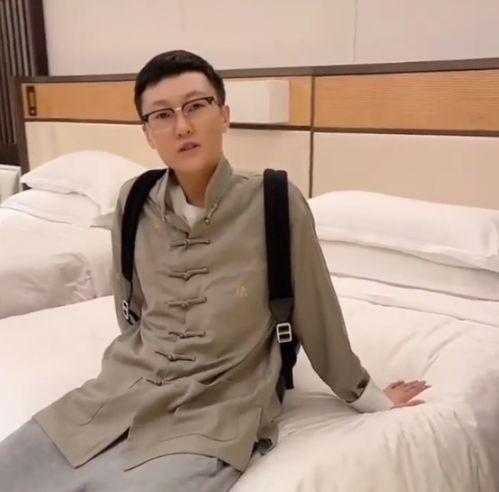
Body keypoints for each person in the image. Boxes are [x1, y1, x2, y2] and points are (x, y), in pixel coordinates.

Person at [0, 50, 429, 492]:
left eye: (195, 106)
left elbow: (317, 316)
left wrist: (368, 395)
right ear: (148, 134)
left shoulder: (275, 201)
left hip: (219, 406)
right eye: (162, 115)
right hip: (118, 391)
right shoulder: (133, 199)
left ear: (223, 115)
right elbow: (130, 307)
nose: (182, 126)